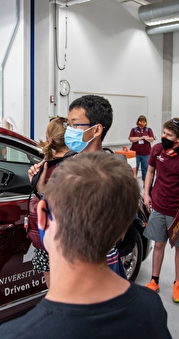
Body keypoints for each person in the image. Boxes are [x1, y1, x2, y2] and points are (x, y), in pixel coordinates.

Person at [0, 152, 172, 339]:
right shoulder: (151, 306)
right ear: (124, 229)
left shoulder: (11, 335)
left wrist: (42, 192)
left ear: (43, 217)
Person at [30, 95, 128, 277]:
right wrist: (41, 189)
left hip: (100, 267)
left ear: (96, 129)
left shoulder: (116, 172)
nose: (69, 131)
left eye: (75, 124)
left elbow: (118, 232)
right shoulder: (65, 164)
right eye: (68, 125)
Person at [143, 118, 179, 303]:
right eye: (163, 132)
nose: (163, 137)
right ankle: (154, 280)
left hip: (178, 212)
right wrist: (146, 193)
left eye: (169, 135)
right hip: (159, 205)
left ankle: (178, 283)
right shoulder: (157, 149)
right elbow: (150, 171)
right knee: (158, 244)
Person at [30, 116, 70, 287]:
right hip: (69, 238)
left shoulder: (43, 166)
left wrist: (39, 189)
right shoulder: (78, 163)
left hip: (48, 236)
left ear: (49, 139)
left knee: (53, 291)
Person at [128, 114, 155, 182]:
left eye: (143, 122)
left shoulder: (148, 130)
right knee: (134, 169)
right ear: (138, 122)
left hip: (146, 154)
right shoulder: (134, 130)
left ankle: (145, 183)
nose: (142, 123)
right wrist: (140, 138)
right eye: (140, 121)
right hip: (135, 153)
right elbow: (131, 139)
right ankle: (133, 183)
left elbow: (152, 139)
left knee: (145, 169)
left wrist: (147, 138)